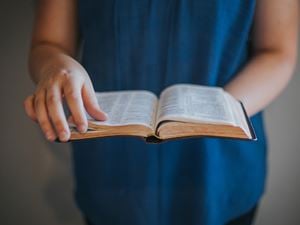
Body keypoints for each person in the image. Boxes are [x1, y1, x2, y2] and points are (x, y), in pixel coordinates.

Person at [24, 0, 298, 225]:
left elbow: (276, 51)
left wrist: (219, 109)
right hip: (111, 164)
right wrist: (55, 66)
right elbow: (49, 41)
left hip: (220, 169)